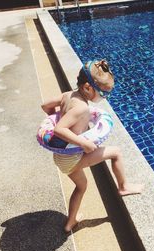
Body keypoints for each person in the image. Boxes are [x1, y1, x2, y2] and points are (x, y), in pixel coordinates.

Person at [41, 59, 143, 233]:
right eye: (104, 94)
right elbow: (59, 129)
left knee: (81, 186)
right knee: (116, 152)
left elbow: (45, 106)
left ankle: (70, 222)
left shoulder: (68, 95)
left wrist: (56, 116)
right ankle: (123, 187)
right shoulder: (82, 108)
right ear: (88, 87)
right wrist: (83, 142)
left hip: (60, 157)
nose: (105, 98)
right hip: (72, 158)